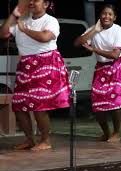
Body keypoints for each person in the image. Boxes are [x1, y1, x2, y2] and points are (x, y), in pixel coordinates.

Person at [0, 0, 70, 151]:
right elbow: (3, 33)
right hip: (25, 65)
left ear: (45, 4)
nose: (31, 2)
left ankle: (45, 140)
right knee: (19, 105)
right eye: (29, 0)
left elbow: (45, 37)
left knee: (39, 106)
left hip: (45, 63)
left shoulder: (51, 21)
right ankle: (30, 140)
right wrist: (14, 15)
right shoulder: (21, 20)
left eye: (36, 0)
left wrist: (25, 30)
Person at [75, 4, 121, 143]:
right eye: (104, 13)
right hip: (101, 68)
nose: (107, 16)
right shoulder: (93, 29)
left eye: (110, 14)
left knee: (115, 102)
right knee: (98, 104)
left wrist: (94, 50)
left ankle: (117, 133)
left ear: (114, 17)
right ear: (100, 15)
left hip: (118, 67)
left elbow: (115, 55)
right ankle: (106, 133)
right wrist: (94, 31)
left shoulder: (118, 30)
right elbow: (77, 43)